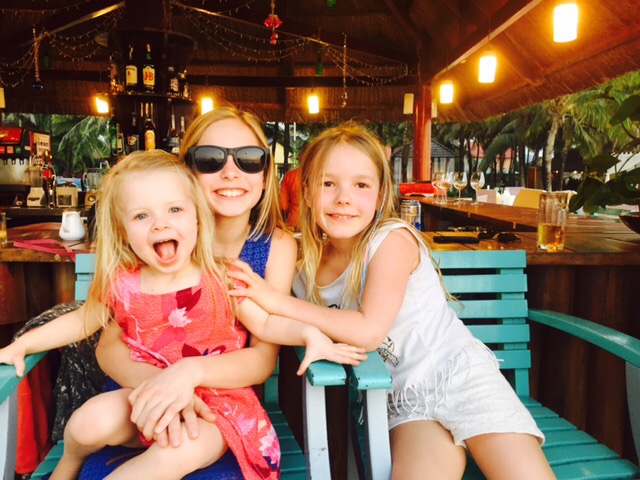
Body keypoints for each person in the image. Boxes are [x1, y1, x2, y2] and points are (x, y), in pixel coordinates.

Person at [0, 150, 365, 480]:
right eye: (142, 215)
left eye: (175, 210)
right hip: (146, 395)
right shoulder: (122, 283)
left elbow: (266, 323)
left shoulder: (222, 277)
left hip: (214, 410)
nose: (160, 224)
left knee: (177, 451)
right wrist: (23, 344)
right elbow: (81, 320)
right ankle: (69, 465)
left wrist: (309, 334)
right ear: (124, 231)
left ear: (197, 218)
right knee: (85, 422)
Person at [228, 123, 556, 479]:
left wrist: (275, 300)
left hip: (460, 377)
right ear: (306, 192)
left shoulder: (391, 241)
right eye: (328, 183)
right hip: (403, 400)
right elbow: (264, 318)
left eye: (361, 185)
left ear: (381, 194)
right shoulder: (303, 266)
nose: (343, 198)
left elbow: (368, 331)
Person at [89, 106, 305, 477]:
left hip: (222, 409)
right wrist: (165, 388)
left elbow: (262, 358)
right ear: (187, 173)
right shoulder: (154, 240)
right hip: (137, 398)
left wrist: (189, 374)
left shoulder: (276, 247)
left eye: (249, 158)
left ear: (266, 174)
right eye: (210, 159)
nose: (231, 171)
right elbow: (109, 346)